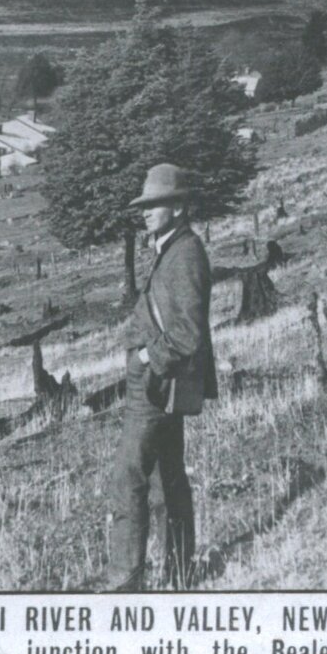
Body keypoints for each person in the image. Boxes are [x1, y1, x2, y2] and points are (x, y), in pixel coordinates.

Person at [108, 162, 217, 591]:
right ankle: (179, 573)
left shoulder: (185, 253)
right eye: (145, 206)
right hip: (163, 382)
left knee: (128, 477)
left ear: (177, 206)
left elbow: (189, 335)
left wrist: (145, 359)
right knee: (168, 477)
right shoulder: (172, 248)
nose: (146, 213)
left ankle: (125, 582)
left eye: (155, 205)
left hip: (157, 384)